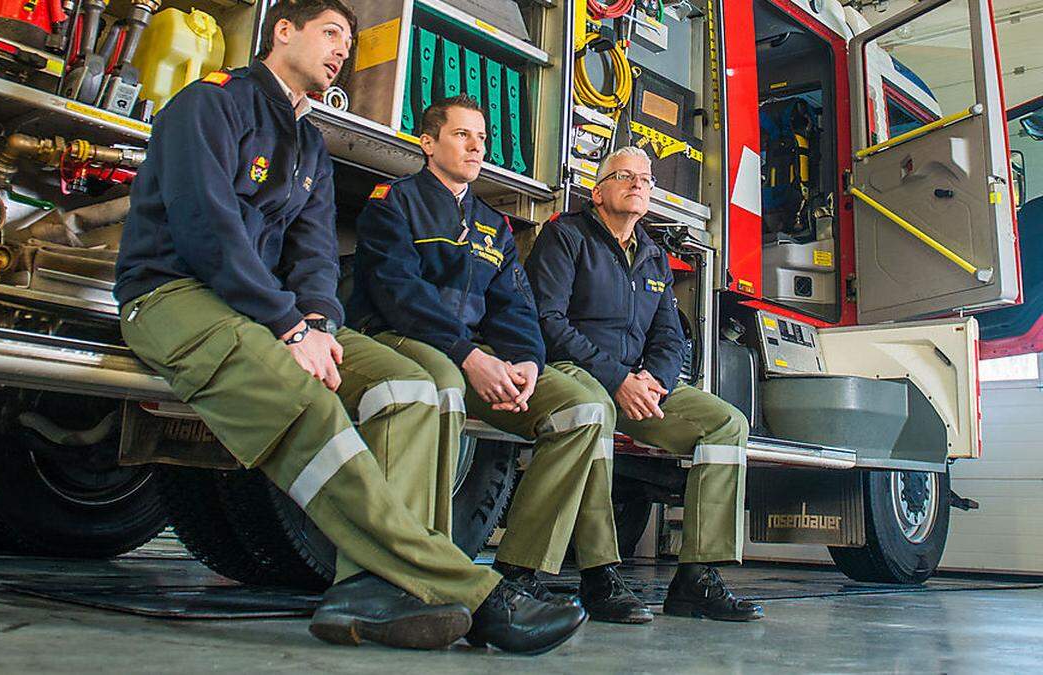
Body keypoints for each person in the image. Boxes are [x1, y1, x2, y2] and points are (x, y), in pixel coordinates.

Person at [114, 0, 585, 653]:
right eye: (331, 32)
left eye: (349, 41)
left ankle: (371, 590)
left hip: (263, 306)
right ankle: (470, 591)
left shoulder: (310, 142)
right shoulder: (211, 104)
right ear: (283, 30)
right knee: (307, 402)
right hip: (172, 293)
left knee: (410, 384)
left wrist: (317, 318)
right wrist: (286, 324)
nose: (343, 50)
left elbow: (312, 254)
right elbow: (205, 228)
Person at [348, 95, 651, 625]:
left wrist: (527, 362)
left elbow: (514, 304)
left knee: (582, 411)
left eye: (482, 138)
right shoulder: (393, 202)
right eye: (462, 135)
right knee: (440, 382)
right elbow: (399, 294)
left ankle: (519, 572)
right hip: (398, 339)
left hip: (475, 357)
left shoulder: (491, 224)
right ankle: (427, 572)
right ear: (428, 142)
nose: (475, 146)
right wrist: (470, 357)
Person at [524, 145, 764, 621]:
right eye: (625, 176)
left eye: (646, 180)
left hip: (639, 384)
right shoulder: (566, 238)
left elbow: (670, 335)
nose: (638, 184)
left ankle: (697, 576)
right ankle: (600, 573)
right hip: (579, 372)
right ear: (597, 191)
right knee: (591, 409)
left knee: (726, 425)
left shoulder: (653, 256)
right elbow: (546, 320)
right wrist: (616, 380)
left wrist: (653, 379)